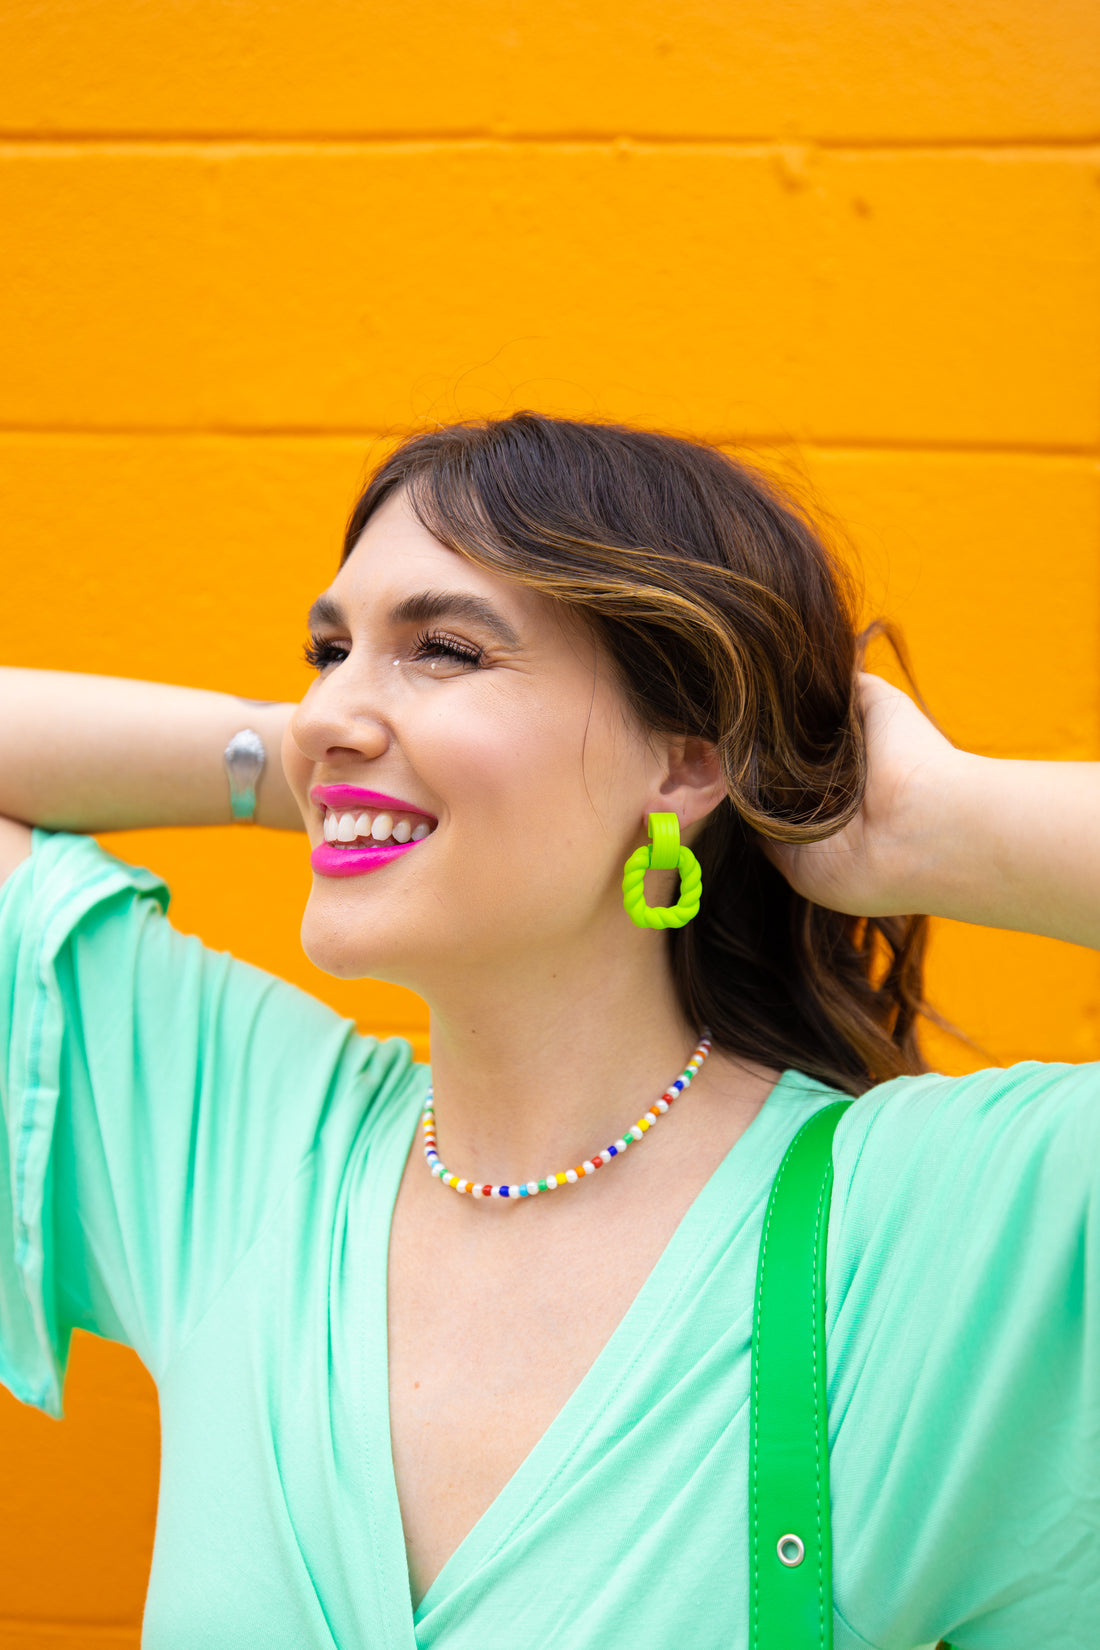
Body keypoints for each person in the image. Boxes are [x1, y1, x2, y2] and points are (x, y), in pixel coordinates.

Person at [0, 412, 1095, 1649]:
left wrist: (919, 827)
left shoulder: (918, 1236)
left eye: (447, 650)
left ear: (683, 764)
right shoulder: (246, 1148)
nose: (327, 707)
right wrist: (313, 761)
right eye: (328, 649)